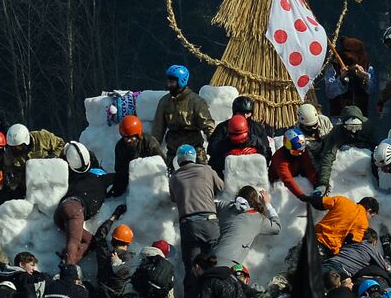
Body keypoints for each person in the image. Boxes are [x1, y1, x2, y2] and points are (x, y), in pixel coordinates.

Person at [168, 145, 224, 277]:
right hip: (209, 223)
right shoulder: (207, 170)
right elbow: (221, 186)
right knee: (213, 265)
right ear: (194, 158)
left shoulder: (174, 178)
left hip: (189, 225)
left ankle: (192, 296)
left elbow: (173, 198)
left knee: (193, 268)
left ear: (179, 160)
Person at [54, 142, 112, 265]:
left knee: (93, 241)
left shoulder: (78, 179)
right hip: (75, 208)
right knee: (73, 242)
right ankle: (69, 272)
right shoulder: (101, 179)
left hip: (61, 213)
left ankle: (69, 261)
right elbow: (122, 177)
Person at [153, 64, 214, 161]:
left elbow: (208, 125)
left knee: (200, 172)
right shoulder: (164, 102)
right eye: (168, 81)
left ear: (181, 82)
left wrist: (214, 144)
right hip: (173, 150)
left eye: (172, 82)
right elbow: (158, 129)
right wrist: (153, 152)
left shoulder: (196, 101)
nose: (168, 85)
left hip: (194, 149)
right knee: (171, 174)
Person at [212, 186, 280, 268]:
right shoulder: (258, 218)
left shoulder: (225, 206)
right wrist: (268, 204)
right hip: (229, 264)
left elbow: (207, 205)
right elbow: (277, 228)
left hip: (211, 257)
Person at [314, 106, 376, 195]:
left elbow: (376, 146)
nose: (354, 131)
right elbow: (328, 156)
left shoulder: (368, 126)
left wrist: (358, 145)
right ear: (343, 125)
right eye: (350, 127)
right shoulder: (337, 132)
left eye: (357, 127)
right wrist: (323, 183)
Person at [206, 96, 270, 175]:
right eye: (241, 113)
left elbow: (267, 152)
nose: (245, 116)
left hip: (251, 172)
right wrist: (229, 154)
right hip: (227, 171)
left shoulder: (257, 129)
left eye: (248, 113)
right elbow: (212, 150)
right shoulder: (223, 127)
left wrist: (255, 154)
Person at [1, 123, 65, 199]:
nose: (16, 149)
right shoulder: (9, 154)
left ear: (26, 141)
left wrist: (54, 156)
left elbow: (61, 143)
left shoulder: (42, 137)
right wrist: (11, 179)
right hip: (28, 188)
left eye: (19, 146)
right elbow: (8, 170)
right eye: (13, 147)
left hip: (50, 180)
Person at [109, 115, 164, 197]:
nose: (129, 140)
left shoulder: (150, 143)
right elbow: (120, 169)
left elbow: (162, 163)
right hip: (132, 178)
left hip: (150, 177)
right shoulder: (120, 147)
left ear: (137, 135)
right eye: (126, 137)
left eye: (131, 137)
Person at [312, 194, 378, 256]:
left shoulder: (342, 200)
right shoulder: (363, 222)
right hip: (328, 249)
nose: (369, 219)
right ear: (369, 210)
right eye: (372, 216)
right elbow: (353, 242)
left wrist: (306, 197)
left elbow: (319, 202)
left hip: (313, 237)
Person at [323, 36, 373, 115]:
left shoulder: (367, 65)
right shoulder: (334, 65)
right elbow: (329, 92)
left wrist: (364, 78)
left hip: (361, 117)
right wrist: (341, 79)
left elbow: (372, 90)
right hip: (338, 117)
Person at [269, 128, 318, 203]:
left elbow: (309, 168)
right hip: (279, 181)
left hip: (296, 174)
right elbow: (287, 179)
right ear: (288, 147)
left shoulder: (303, 151)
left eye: (302, 150)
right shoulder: (279, 158)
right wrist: (300, 195)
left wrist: (316, 184)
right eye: (295, 152)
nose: (300, 154)